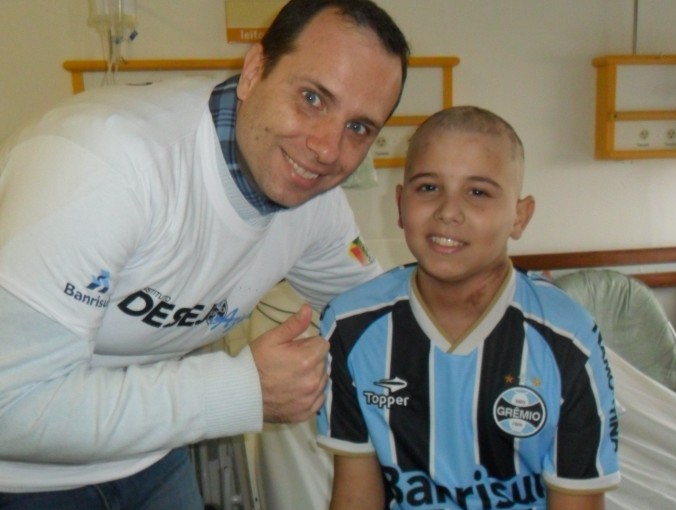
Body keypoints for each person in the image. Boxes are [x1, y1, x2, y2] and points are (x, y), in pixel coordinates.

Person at [0, 0, 409, 507]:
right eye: (311, 97)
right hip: (18, 476)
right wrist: (241, 389)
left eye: (359, 128)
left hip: (148, 456)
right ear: (255, 70)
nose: (327, 149)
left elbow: (384, 322)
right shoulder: (103, 168)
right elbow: (10, 407)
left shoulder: (315, 205)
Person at [317, 106, 621, 509]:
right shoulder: (350, 327)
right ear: (399, 203)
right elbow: (356, 496)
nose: (448, 211)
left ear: (520, 215)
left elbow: (577, 500)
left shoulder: (568, 339)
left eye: (477, 192)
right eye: (428, 188)